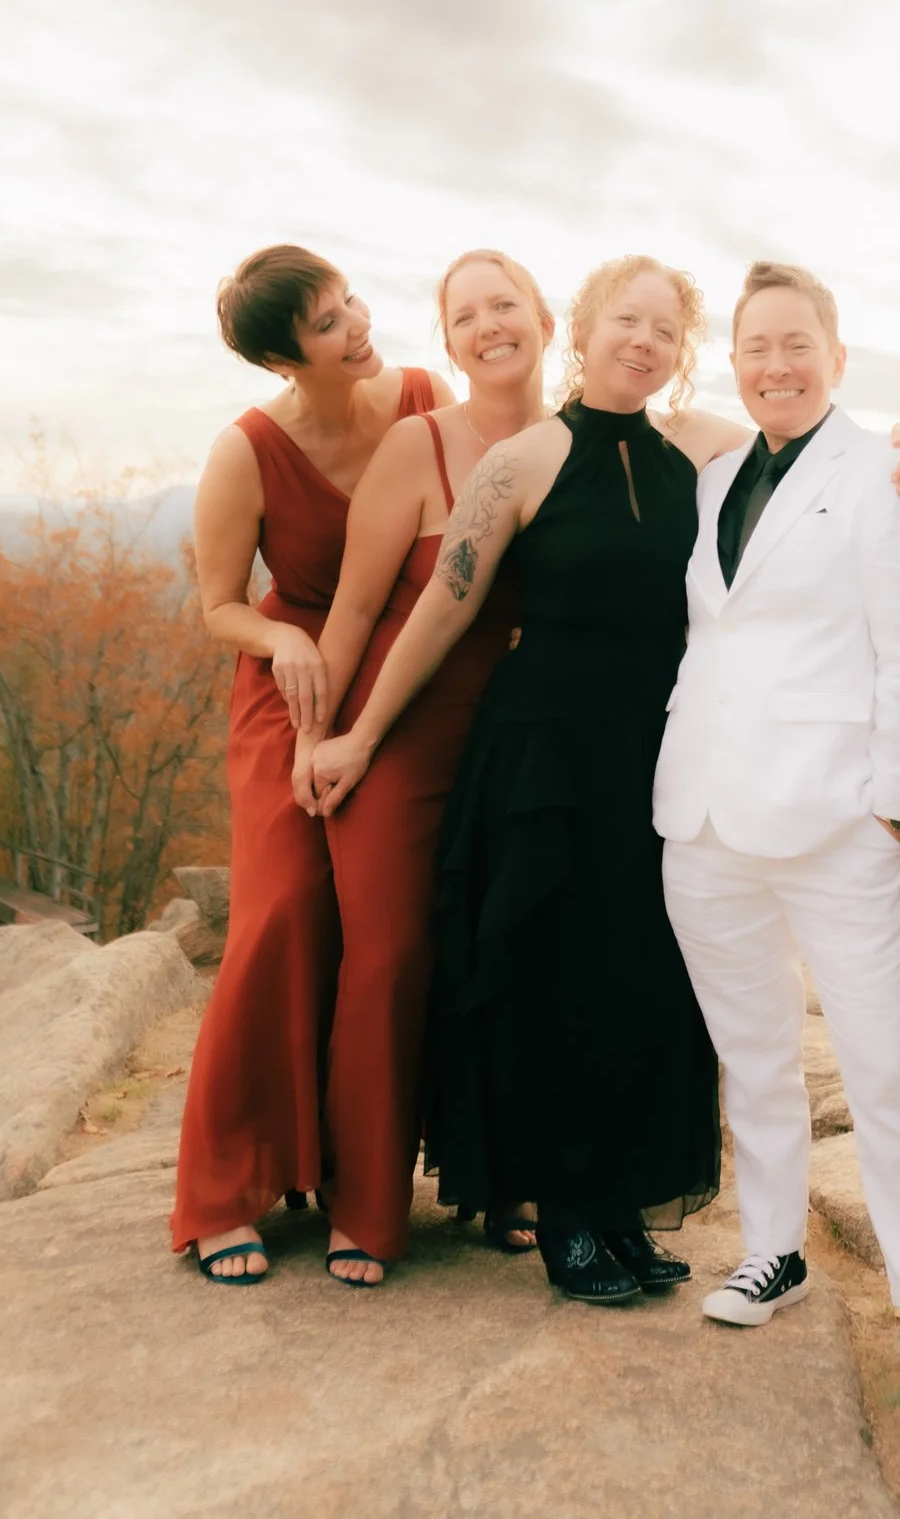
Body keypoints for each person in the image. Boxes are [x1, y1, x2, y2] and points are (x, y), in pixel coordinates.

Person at [314, 256, 900, 1305]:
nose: (643, 342)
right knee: (556, 985)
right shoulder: (518, 462)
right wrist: (362, 731)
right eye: (626, 322)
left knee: (640, 990)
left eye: (664, 329)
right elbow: (445, 605)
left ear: (682, 350)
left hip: (662, 763)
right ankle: (563, 1211)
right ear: (585, 327)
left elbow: (825, 456)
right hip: (544, 759)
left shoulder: (703, 453)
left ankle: (619, 1204)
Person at [655, 261, 900, 1407]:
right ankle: (774, 1246)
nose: (776, 364)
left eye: (797, 343)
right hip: (700, 811)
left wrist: (894, 805)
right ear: (732, 362)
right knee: (751, 1054)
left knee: (885, 1065)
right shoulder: (718, 472)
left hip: (838, 813)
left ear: (837, 357)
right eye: (755, 346)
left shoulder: (890, 469)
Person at [171, 245, 460, 1285]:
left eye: (351, 304)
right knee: (283, 906)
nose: (359, 327)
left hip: (410, 679)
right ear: (283, 360)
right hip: (289, 690)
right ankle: (224, 1188)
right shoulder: (247, 450)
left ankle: (369, 1190)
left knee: (388, 925)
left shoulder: (427, 400)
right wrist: (279, 638)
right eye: (330, 323)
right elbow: (216, 605)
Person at [293, 249, 552, 1274]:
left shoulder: (583, 438)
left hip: (527, 741)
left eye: (505, 305)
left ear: (542, 315)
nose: (488, 327)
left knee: (516, 955)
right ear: (446, 342)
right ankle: (363, 1198)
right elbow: (353, 606)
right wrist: (324, 736)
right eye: (465, 316)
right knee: (394, 954)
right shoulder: (418, 443)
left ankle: (503, 1179)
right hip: (405, 729)